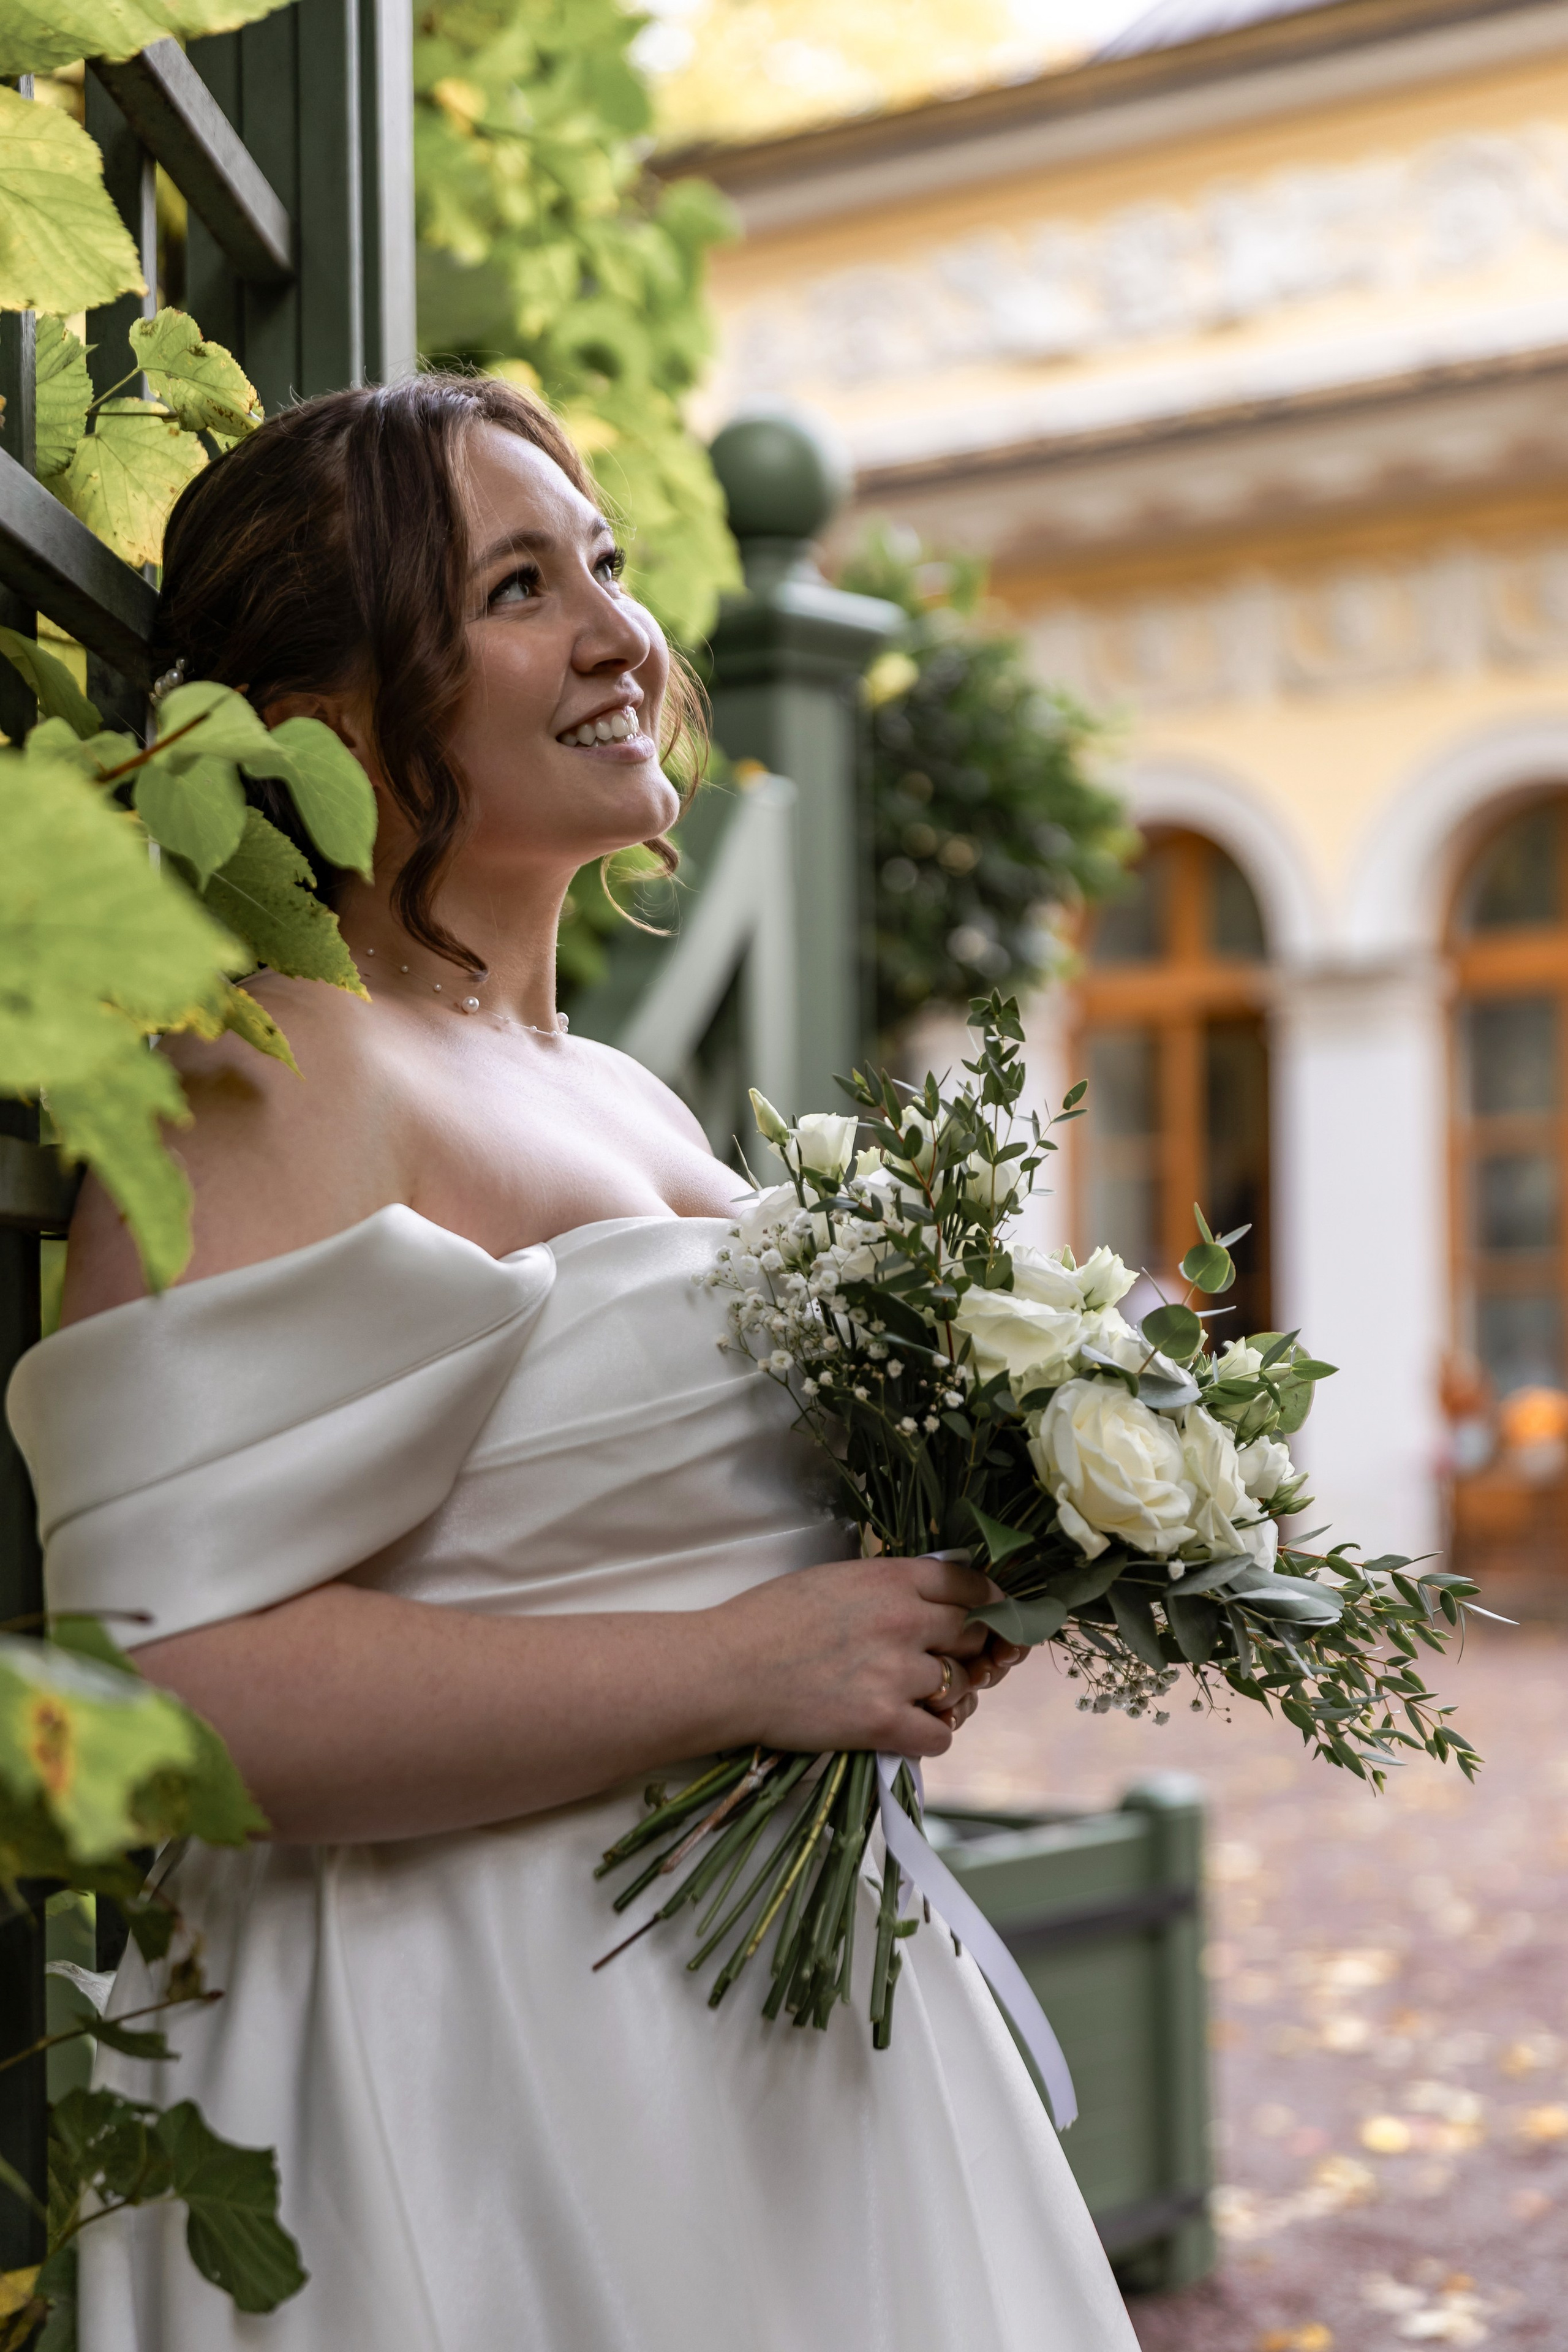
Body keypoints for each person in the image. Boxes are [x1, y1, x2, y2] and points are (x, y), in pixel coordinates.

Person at [8, 376, 1139, 2351]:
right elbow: (159, 1691)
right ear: (336, 721)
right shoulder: (278, 1073)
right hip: (477, 2070)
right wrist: (747, 1664)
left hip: (756, 2046)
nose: (623, 633)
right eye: (523, 588)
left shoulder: (613, 1088)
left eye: (601, 563)